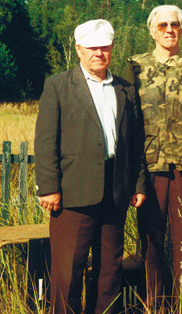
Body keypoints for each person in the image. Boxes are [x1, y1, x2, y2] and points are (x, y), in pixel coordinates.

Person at [35, 19, 147, 314]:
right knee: (69, 271)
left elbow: (135, 143)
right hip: (72, 193)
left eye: (105, 47)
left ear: (111, 49)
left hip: (116, 191)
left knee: (110, 270)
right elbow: (46, 141)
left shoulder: (125, 89)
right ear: (79, 50)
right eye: (92, 47)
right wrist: (48, 187)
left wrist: (137, 184)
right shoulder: (58, 86)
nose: (99, 52)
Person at [124, 5, 182, 311]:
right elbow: (127, 121)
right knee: (151, 243)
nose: (169, 30)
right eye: (162, 25)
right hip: (149, 169)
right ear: (151, 30)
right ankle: (156, 305)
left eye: (175, 25)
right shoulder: (134, 67)